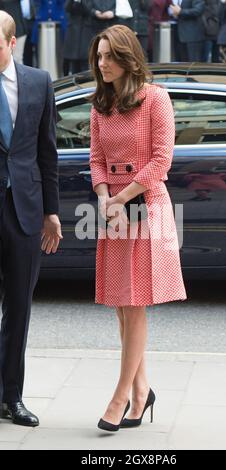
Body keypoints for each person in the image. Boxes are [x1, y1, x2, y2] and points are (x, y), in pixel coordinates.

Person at [89, 24, 186, 432]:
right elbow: (95, 157)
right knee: (122, 305)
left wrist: (120, 198)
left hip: (144, 203)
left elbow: (161, 161)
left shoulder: (156, 99)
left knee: (135, 301)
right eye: (98, 56)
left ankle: (120, 396)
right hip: (113, 208)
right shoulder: (100, 104)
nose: (102, 63)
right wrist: (102, 199)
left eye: (109, 56)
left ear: (127, 57)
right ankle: (142, 390)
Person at [0, 10, 62, 426]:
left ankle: (11, 397)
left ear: (10, 43)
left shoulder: (39, 82)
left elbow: (47, 154)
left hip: (24, 209)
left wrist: (52, 212)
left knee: (19, 307)